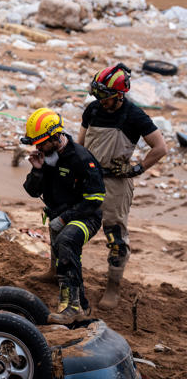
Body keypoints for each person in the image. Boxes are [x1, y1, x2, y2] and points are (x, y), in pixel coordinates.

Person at [78, 63, 166, 309]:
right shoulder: (93, 110)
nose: (99, 101)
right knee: (65, 224)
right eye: (97, 95)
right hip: (89, 178)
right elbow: (81, 145)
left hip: (116, 184)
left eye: (104, 96)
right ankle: (57, 271)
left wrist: (136, 168)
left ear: (119, 94)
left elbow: (160, 148)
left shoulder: (134, 115)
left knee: (116, 237)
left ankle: (113, 288)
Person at [21, 108, 105, 324]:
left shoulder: (81, 158)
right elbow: (31, 191)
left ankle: (74, 307)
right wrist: (38, 170)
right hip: (60, 214)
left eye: (41, 143)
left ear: (56, 137)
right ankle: (63, 282)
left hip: (87, 216)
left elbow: (95, 199)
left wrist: (66, 217)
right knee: (62, 252)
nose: (38, 148)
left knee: (67, 242)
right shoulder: (47, 157)